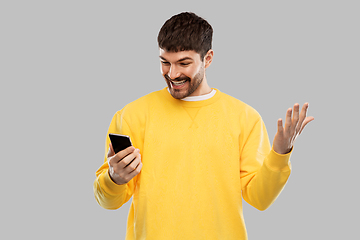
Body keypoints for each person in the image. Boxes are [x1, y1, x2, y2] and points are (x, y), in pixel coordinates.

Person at [93, 12, 314, 240]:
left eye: (184, 63)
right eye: (165, 62)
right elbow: (108, 202)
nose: (172, 73)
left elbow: (260, 199)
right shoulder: (131, 115)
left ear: (207, 59)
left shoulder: (245, 117)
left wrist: (280, 153)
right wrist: (114, 178)